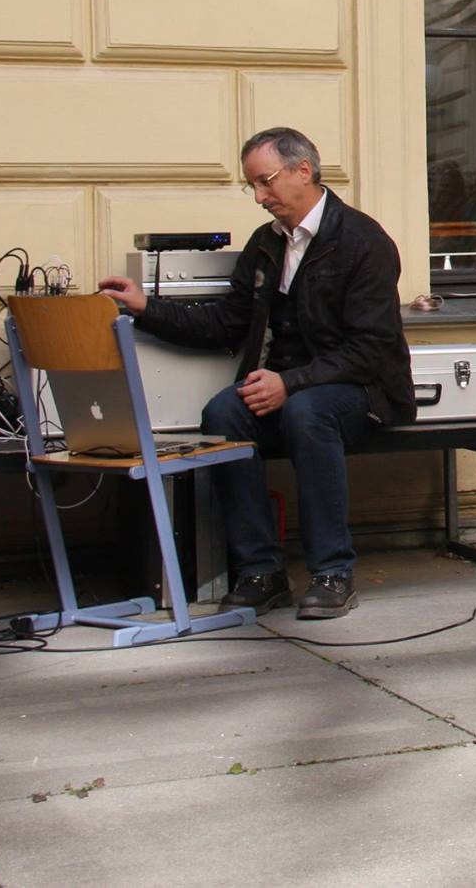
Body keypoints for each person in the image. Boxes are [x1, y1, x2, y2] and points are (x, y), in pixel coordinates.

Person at [97, 127, 414, 620]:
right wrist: (145, 307)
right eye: (254, 187)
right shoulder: (267, 242)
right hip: (293, 387)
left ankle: (333, 572)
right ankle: (261, 571)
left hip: (363, 392)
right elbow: (227, 322)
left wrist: (290, 383)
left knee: (307, 412)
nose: (260, 197)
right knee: (224, 412)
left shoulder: (363, 241)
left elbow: (371, 349)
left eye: (266, 182)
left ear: (303, 171)